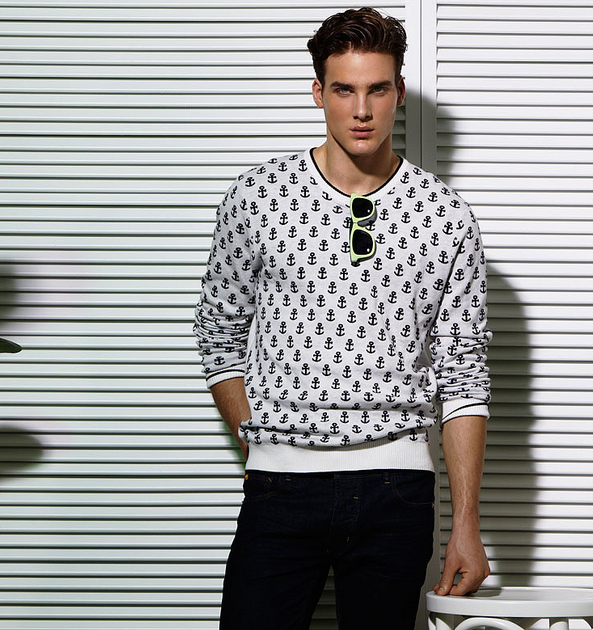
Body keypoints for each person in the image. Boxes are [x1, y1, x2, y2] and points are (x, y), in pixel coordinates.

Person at [194, 7, 492, 629]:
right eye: (344, 90)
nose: (361, 110)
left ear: (399, 93)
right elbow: (220, 331)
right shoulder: (258, 197)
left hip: (396, 489)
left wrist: (466, 524)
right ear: (318, 92)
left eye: (377, 89)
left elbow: (465, 373)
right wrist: (260, 442)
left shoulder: (445, 214)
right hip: (280, 486)